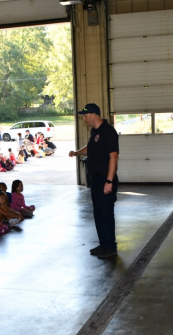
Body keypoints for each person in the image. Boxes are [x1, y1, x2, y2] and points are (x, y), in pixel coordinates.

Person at [69, 103, 119, 259]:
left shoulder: (108, 132)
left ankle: (110, 247)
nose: (84, 119)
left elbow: (114, 156)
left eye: (85, 116)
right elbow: (91, 148)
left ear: (94, 115)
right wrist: (77, 152)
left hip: (105, 178)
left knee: (106, 213)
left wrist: (109, 181)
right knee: (98, 213)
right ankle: (104, 244)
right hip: (96, 179)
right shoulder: (95, 132)